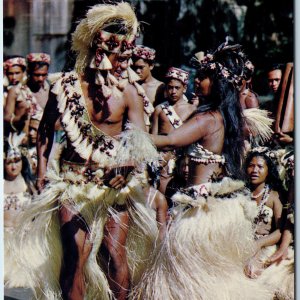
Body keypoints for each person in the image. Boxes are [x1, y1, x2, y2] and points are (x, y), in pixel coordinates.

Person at [11, 3, 160, 300]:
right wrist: (41, 172)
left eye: (121, 54)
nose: (116, 61)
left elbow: (142, 142)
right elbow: (44, 131)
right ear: (95, 51)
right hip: (73, 182)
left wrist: (127, 166)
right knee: (74, 256)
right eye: (111, 53)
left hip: (115, 184)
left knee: (114, 253)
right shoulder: (66, 87)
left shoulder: (128, 91)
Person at [131, 39, 274, 299]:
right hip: (220, 208)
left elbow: (170, 140)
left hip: (199, 214)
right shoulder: (228, 118)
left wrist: (129, 132)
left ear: (218, 83)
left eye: (204, 78)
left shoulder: (207, 119)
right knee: (211, 278)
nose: (197, 82)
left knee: (187, 278)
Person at [244, 148, 294, 299]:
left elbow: (280, 230)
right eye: (251, 166)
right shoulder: (240, 192)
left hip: (265, 246)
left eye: (260, 167)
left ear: (268, 170)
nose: (254, 170)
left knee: (254, 274)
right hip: (242, 243)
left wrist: (259, 243)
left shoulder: (274, 196)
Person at [151, 67, 195, 194]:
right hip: (164, 159)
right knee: (162, 191)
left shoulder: (192, 110)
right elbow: (153, 138)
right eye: (170, 87)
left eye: (177, 88)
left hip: (185, 159)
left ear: (184, 88)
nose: (173, 91)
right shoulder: (159, 110)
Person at [4, 132, 36, 287]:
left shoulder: (29, 184)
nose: (13, 166)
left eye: (17, 161)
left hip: (23, 240)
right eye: (9, 162)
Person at [4, 53, 49, 138]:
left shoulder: (49, 90)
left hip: (43, 139)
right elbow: (6, 118)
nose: (40, 79)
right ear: (29, 72)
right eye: (36, 75)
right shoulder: (16, 91)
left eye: (43, 75)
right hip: (23, 139)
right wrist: (20, 117)